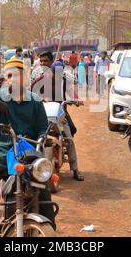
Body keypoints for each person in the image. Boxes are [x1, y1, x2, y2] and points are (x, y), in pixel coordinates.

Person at [0, 58, 55, 231]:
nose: (12, 79)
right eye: (9, 75)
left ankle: (50, 227)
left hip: (29, 153)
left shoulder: (35, 101)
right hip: (4, 150)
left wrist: (45, 136)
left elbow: (42, 127)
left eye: (16, 75)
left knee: (44, 185)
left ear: (24, 78)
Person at [31, 51, 84, 181]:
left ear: (51, 62)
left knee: (70, 138)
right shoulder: (38, 77)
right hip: (43, 114)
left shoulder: (63, 78)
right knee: (31, 136)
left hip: (60, 113)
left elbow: (71, 91)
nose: (43, 64)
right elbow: (30, 92)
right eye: (41, 61)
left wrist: (76, 100)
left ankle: (75, 169)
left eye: (46, 61)